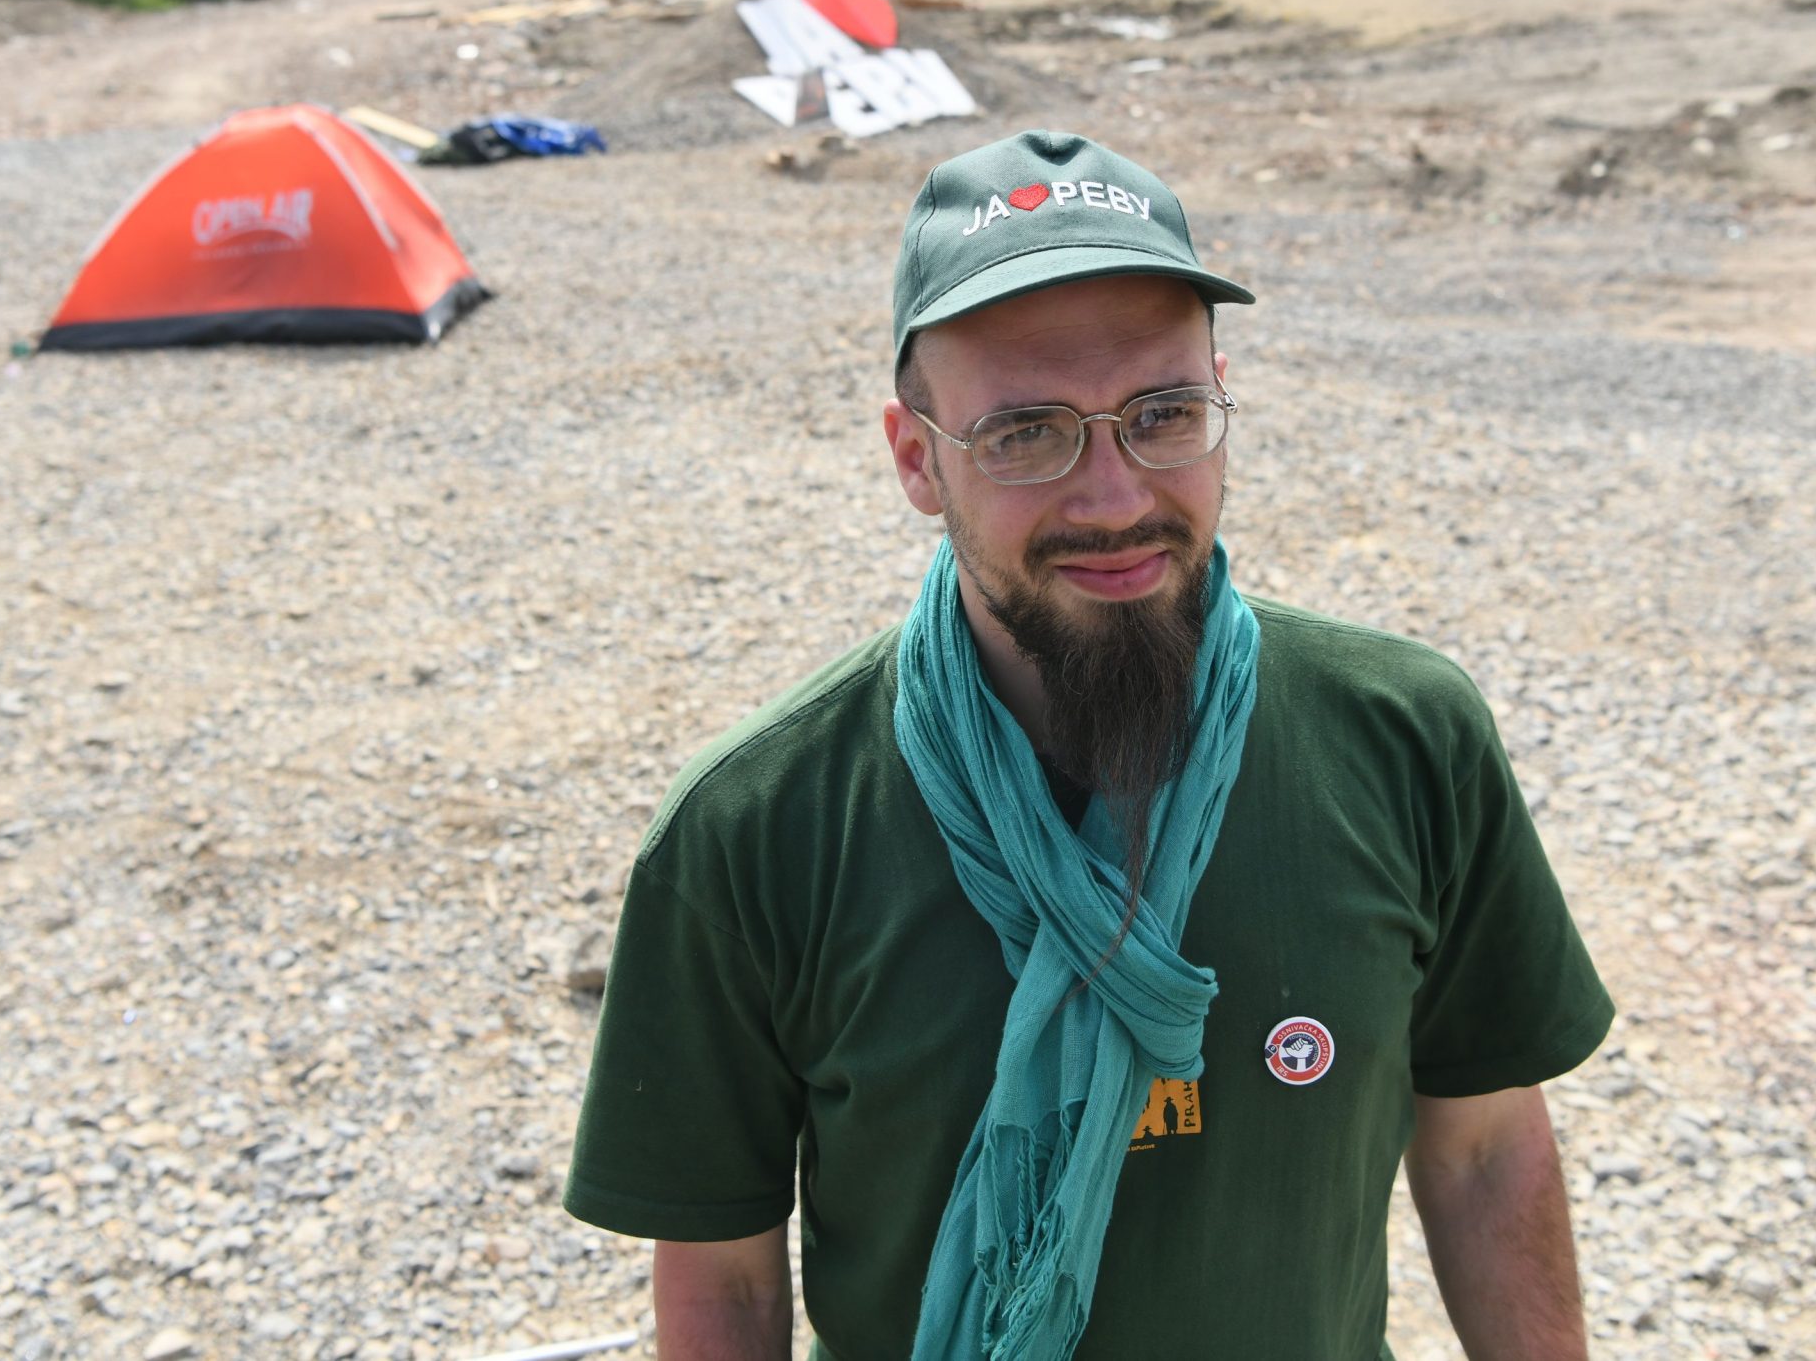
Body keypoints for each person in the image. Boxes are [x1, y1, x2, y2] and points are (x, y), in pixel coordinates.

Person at [564, 129, 1614, 1360]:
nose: (1113, 498)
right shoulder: (758, 829)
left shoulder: (1400, 738)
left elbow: (1487, 1150)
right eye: (1025, 434)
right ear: (915, 458)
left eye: (1163, 415)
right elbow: (726, 1286)